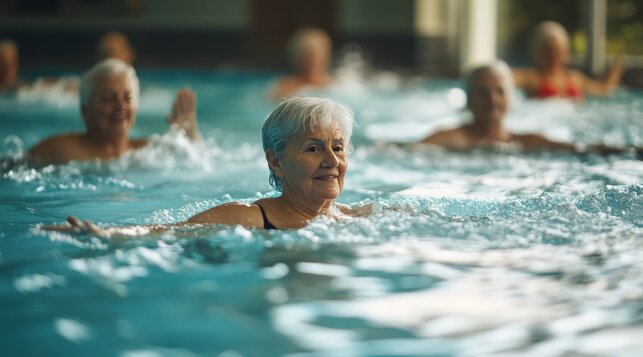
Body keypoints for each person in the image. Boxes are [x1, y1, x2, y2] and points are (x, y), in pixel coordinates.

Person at [43, 96, 370, 235]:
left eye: (338, 147)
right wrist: (104, 234)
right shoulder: (250, 218)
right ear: (277, 162)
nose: (332, 160)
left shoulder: (354, 216)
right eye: (314, 148)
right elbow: (166, 234)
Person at [421, 61, 636, 155]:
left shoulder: (527, 141)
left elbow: (579, 149)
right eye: (482, 92)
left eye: (500, 91)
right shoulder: (447, 140)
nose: (492, 99)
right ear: (468, 99)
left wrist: (628, 151)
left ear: (511, 98)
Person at [27, 58, 201, 165]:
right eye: (109, 99)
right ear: (84, 109)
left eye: (128, 98)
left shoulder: (150, 154)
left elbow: (199, 161)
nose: (121, 106)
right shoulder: (59, 152)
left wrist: (191, 136)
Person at [512, 21, 623, 100]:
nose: (554, 56)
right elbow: (505, 77)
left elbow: (603, 90)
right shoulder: (532, 78)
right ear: (538, 53)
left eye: (558, 51)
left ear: (566, 53)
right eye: (549, 51)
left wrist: (617, 69)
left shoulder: (576, 79)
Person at [270, 28, 334, 101]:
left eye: (316, 55)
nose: (312, 61)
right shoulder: (284, 88)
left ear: (326, 56)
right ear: (295, 57)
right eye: (306, 55)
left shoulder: (336, 86)